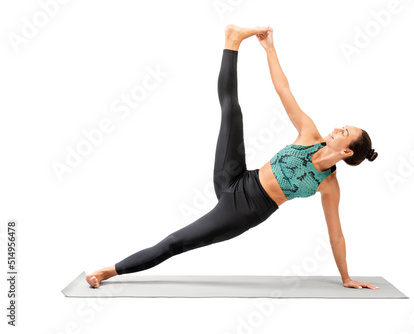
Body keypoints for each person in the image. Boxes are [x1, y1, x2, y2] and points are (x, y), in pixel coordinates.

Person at [86, 24, 379, 290]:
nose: (338, 127)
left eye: (344, 131)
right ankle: (232, 41)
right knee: (232, 111)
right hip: (236, 176)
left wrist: (346, 278)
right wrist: (270, 49)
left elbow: (336, 234)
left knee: (176, 242)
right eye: (343, 125)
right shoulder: (309, 135)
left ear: (346, 151)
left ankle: (108, 271)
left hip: (243, 212)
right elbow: (283, 89)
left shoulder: (328, 185)